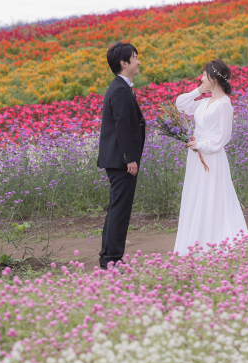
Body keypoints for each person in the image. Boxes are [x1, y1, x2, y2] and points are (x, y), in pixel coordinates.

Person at [173, 59, 248, 256]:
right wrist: (198, 90)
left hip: (212, 157)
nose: (201, 78)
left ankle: (215, 241)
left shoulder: (225, 104)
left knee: (213, 196)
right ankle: (196, 240)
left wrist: (202, 145)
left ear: (214, 79)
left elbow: (224, 137)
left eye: (204, 76)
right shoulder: (203, 102)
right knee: (196, 195)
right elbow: (180, 104)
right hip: (196, 157)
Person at [97, 41, 146, 270]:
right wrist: (130, 158)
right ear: (123, 63)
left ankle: (109, 257)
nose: (138, 61)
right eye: (134, 57)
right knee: (120, 210)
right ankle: (112, 260)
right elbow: (122, 126)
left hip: (119, 159)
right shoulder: (119, 89)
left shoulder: (121, 87)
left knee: (116, 208)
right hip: (121, 160)